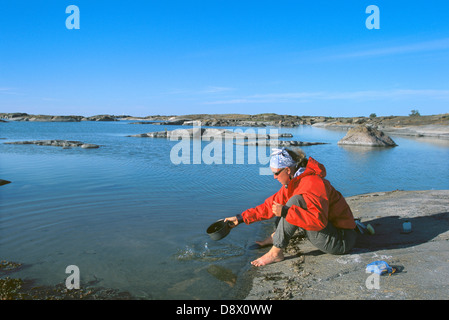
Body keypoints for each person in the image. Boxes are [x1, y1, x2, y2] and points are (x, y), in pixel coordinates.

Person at [225, 147, 357, 267]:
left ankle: (275, 253)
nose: (274, 177)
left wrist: (285, 211)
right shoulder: (296, 181)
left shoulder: (312, 183)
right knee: (284, 205)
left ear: (288, 170)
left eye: (276, 173)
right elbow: (269, 205)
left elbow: (319, 222)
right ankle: (276, 237)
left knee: (293, 203)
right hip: (331, 230)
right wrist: (240, 218)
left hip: (341, 240)